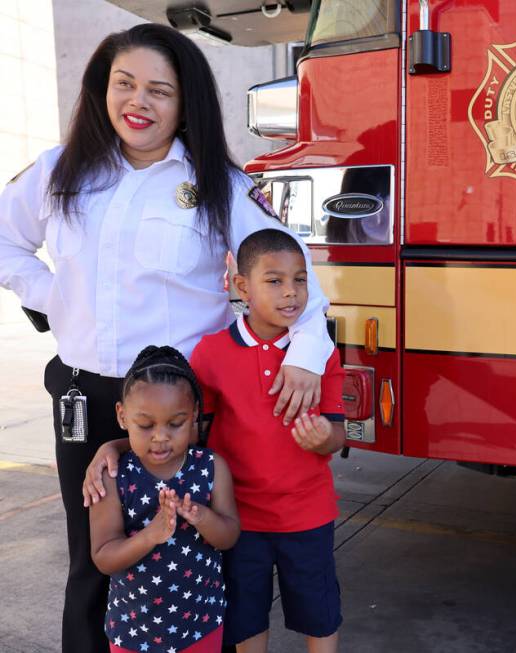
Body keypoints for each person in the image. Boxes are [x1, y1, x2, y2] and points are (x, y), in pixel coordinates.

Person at [0, 24, 333, 653]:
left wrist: (308, 359)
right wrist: (55, 299)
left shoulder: (219, 186)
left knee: (191, 555)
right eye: (124, 84)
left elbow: (299, 279)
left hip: (181, 410)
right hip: (89, 395)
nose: (138, 102)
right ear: (102, 89)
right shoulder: (59, 171)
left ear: (185, 105)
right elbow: (4, 241)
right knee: (96, 556)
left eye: (160, 90)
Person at [87, 230, 347, 651]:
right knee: (246, 616)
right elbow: (179, 428)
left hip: (308, 513)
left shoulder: (318, 353)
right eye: (275, 280)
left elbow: (337, 432)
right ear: (241, 286)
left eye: (300, 280)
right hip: (238, 516)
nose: (291, 293)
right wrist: (112, 446)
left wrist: (322, 439)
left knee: (319, 612)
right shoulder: (211, 353)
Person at [89, 346, 240, 653]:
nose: (160, 437)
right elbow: (104, 557)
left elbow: (229, 536)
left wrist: (202, 517)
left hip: (201, 623)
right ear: (122, 415)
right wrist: (151, 535)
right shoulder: (113, 475)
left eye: (176, 423)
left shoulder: (211, 467)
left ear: (194, 415)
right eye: (145, 426)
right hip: (133, 630)